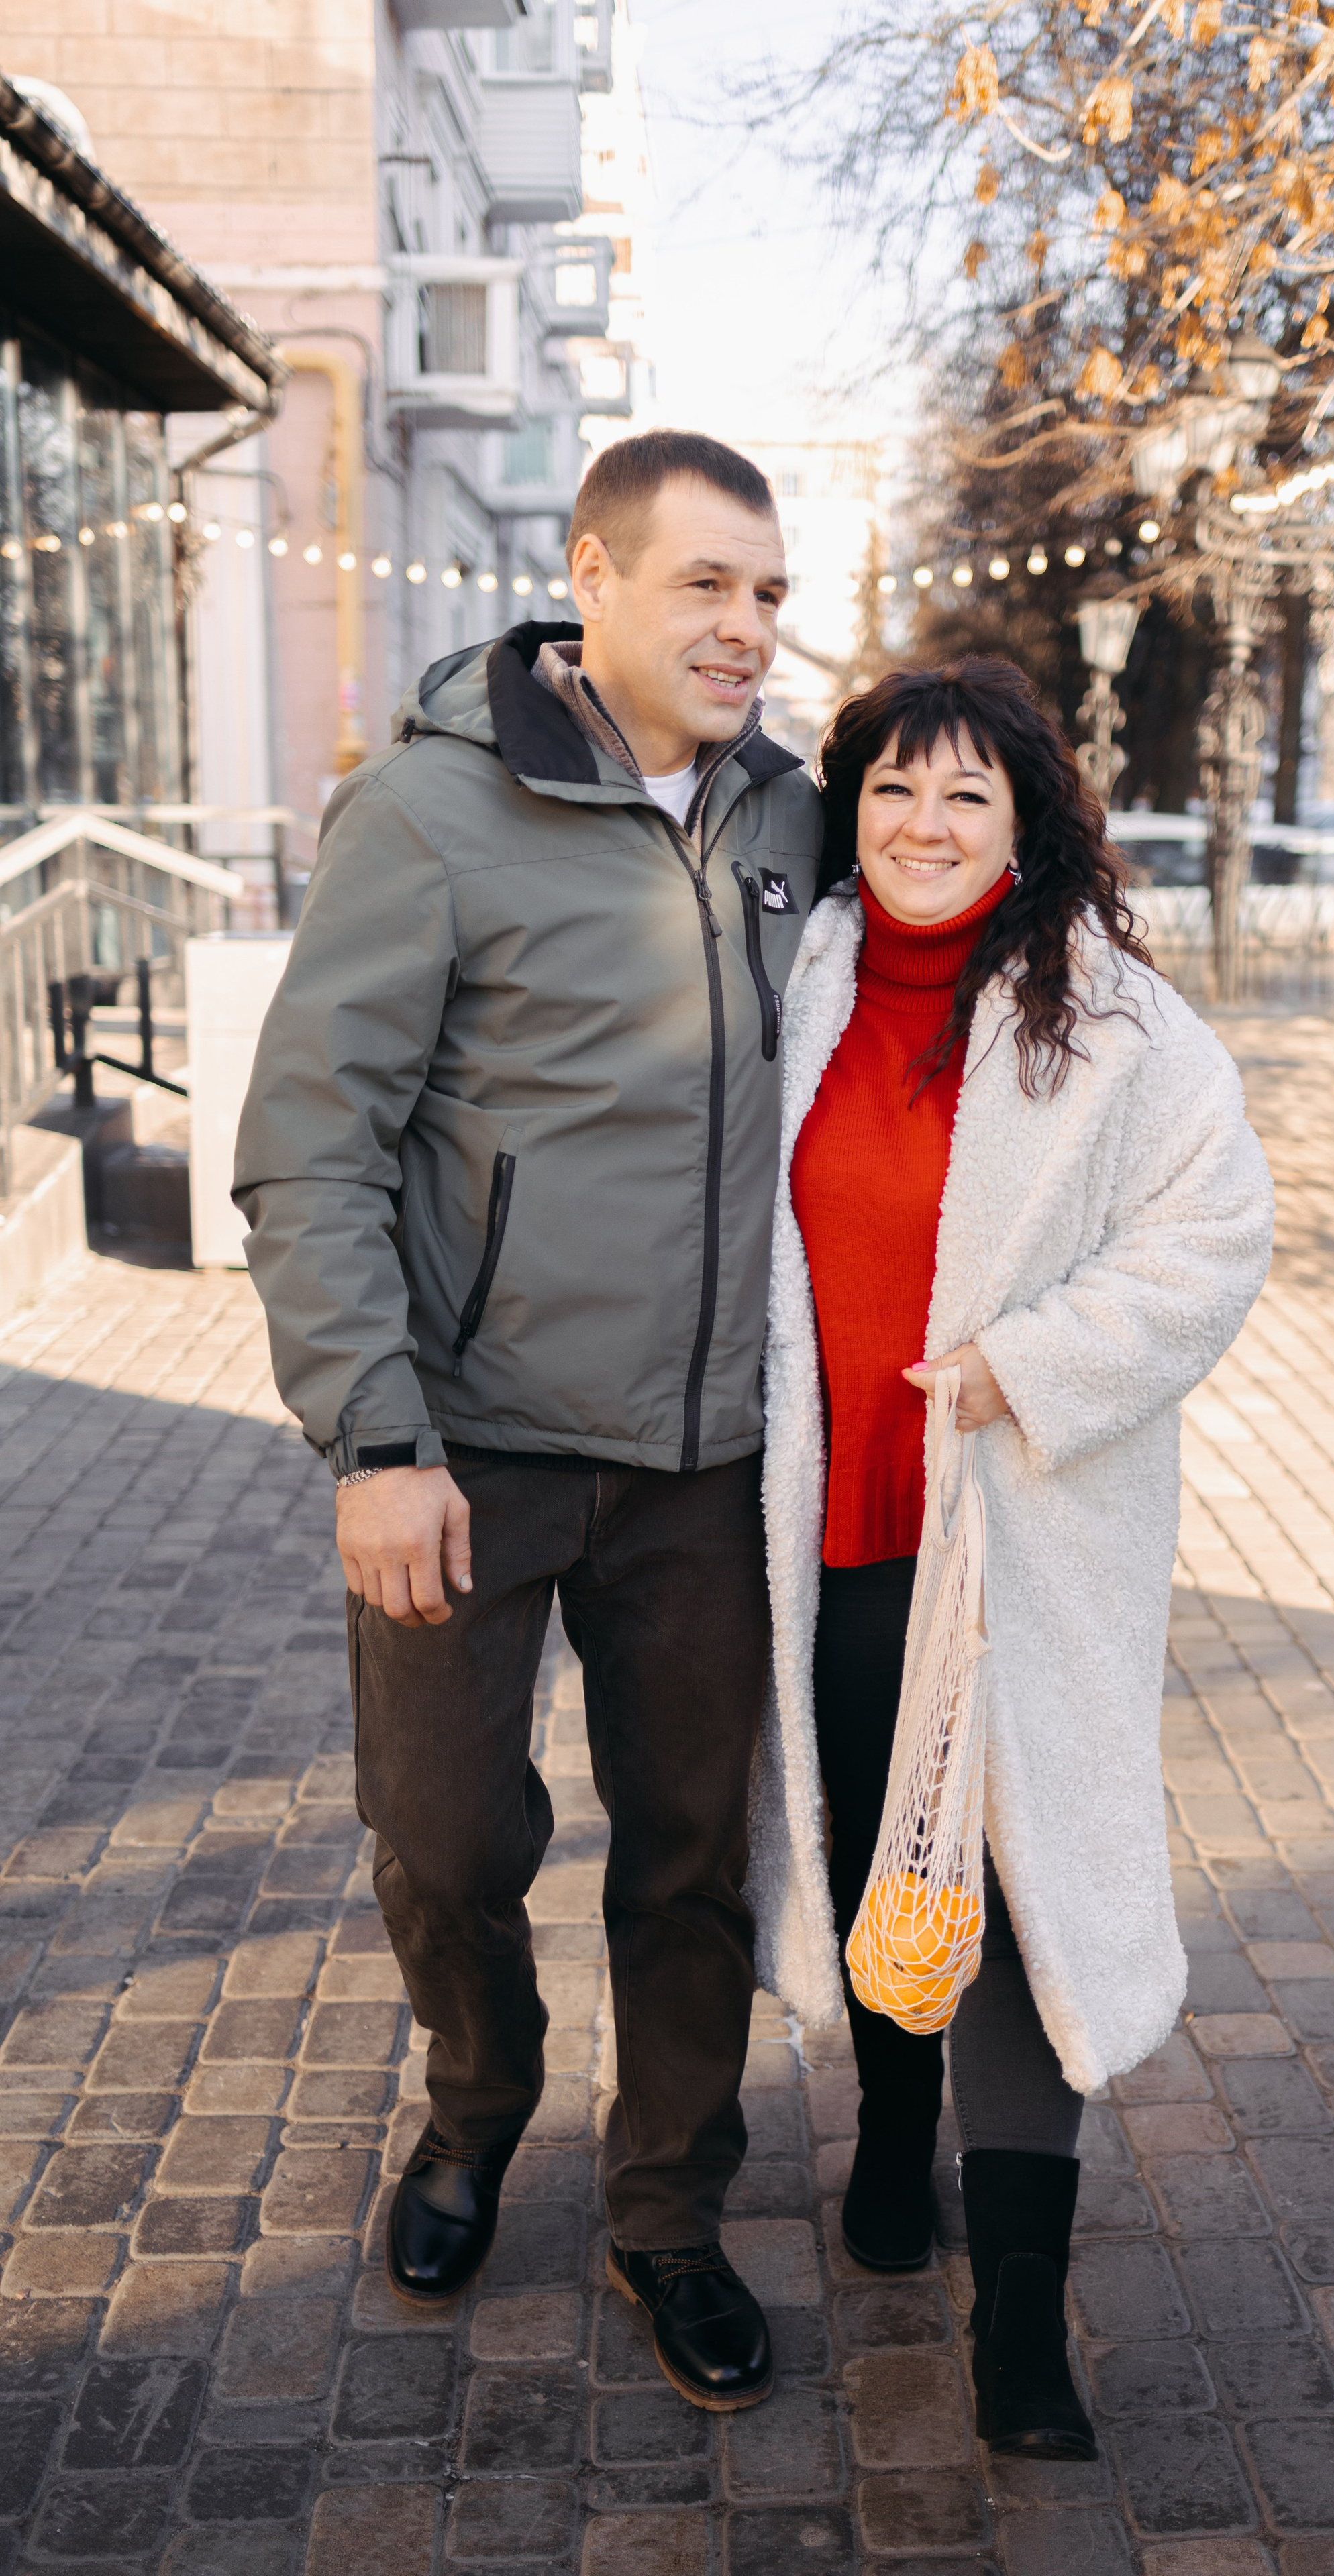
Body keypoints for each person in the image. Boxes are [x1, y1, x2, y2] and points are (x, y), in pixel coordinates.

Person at [234, 430, 823, 2413]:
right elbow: (311, 1144)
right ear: (594, 577)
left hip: (708, 1464)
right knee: (443, 1838)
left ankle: (669, 2211)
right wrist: (375, 1445)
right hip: (465, 1451)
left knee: (690, 1857)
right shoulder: (431, 811)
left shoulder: (789, 817)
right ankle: (478, 2104)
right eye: (705, 583)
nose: (745, 627)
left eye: (769, 592)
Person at [746, 657, 1273, 2457]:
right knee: (874, 1851)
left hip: (1025, 1528)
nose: (926, 823)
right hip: (828, 1519)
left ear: (1025, 823)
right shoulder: (797, 980)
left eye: (968, 793)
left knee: (1014, 1875)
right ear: (852, 809)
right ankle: (895, 2139)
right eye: (895, 787)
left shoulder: (1111, 1016)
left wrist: (1027, 1364)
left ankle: (1023, 2325)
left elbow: (1213, 1237)